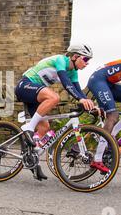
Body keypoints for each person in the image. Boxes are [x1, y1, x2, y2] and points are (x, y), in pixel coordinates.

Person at [15, 44, 96, 177]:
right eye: (85, 59)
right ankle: (29, 127)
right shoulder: (60, 60)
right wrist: (80, 99)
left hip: (36, 94)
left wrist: (89, 104)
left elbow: (78, 90)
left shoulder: (73, 72)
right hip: (25, 85)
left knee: (44, 128)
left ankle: (31, 160)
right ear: (75, 56)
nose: (87, 63)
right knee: (54, 97)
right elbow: (65, 82)